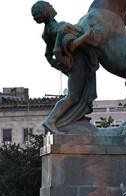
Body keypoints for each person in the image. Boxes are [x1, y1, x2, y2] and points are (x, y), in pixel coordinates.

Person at [33, 1, 99, 133]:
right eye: (50, 6)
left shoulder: (46, 33)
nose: (53, 7)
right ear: (47, 12)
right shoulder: (62, 27)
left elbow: (48, 55)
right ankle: (51, 120)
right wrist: (86, 32)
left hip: (72, 65)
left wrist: (61, 66)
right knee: (73, 96)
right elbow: (58, 50)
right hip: (78, 63)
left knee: (77, 95)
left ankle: (78, 116)